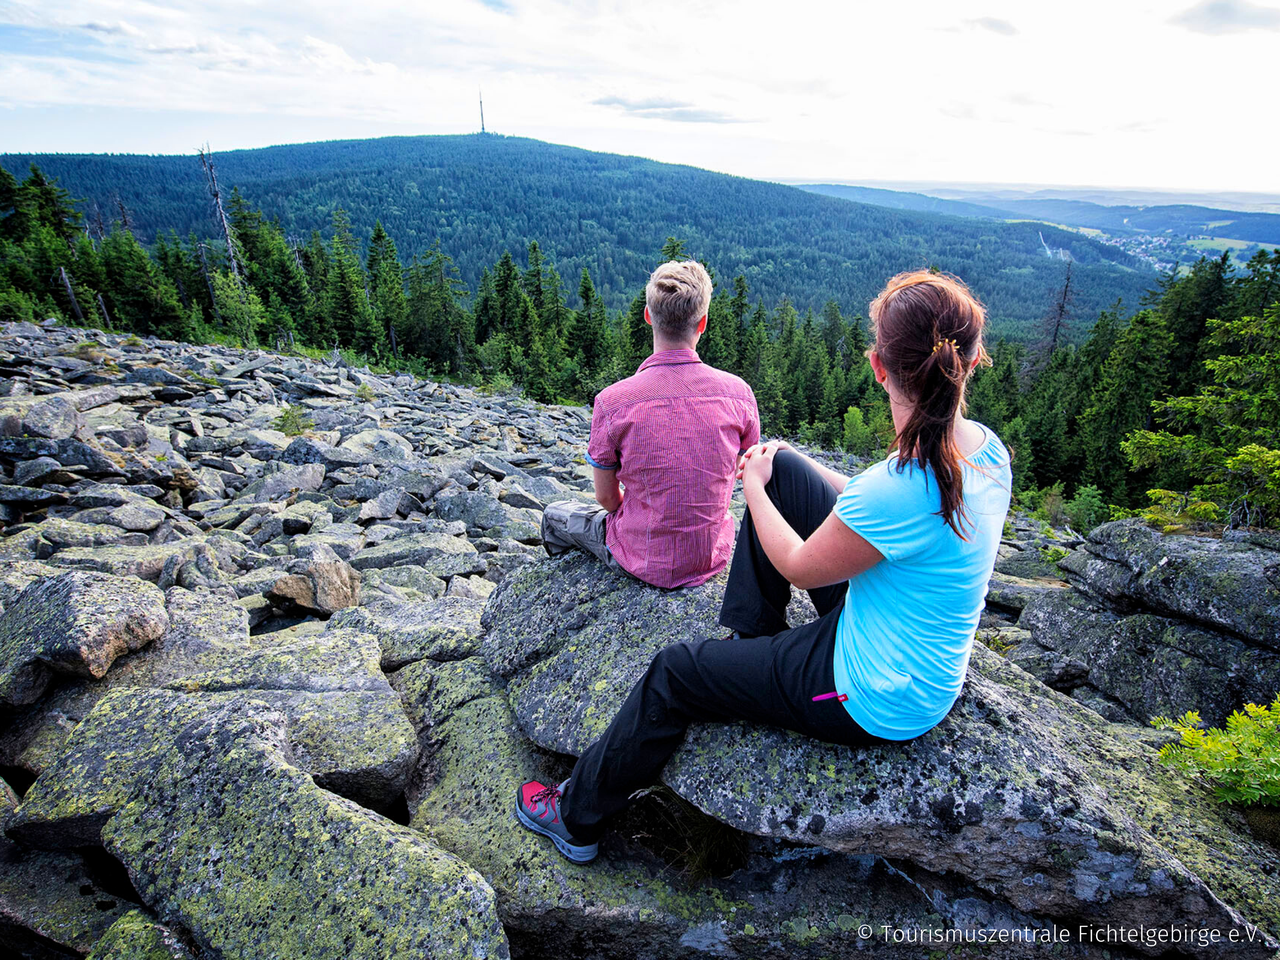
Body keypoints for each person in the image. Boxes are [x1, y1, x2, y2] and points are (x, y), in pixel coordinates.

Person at [517, 270, 1013, 863]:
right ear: (973, 357)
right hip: (894, 636)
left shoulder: (899, 486)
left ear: (878, 367)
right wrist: (789, 467)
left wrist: (752, 486)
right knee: (788, 471)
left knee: (675, 671)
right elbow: (881, 509)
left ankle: (575, 818)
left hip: (870, 693)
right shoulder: (983, 448)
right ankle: (752, 642)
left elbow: (803, 569)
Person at [540, 260, 760, 590]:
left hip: (640, 557)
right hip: (711, 555)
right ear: (703, 323)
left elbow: (606, 499)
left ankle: (557, 590)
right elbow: (751, 471)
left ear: (647, 316)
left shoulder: (612, 401)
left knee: (554, 515)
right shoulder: (739, 394)